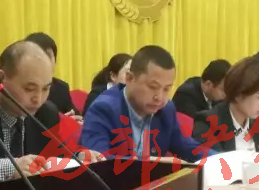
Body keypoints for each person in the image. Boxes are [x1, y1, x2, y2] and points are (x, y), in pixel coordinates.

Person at [0, 41, 102, 186]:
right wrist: (10, 168)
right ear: (2, 78)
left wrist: (77, 159)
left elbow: (51, 157)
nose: (38, 99)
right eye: (29, 89)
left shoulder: (46, 113)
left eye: (46, 88)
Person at [80, 46, 212, 162]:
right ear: (129, 79)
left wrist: (221, 159)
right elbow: (99, 162)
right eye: (153, 87)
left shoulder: (165, 109)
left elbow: (188, 148)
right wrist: (154, 163)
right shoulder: (104, 108)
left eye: (166, 89)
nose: (159, 97)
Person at [24, 32, 81, 120]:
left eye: (48, 56)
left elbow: (77, 118)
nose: (43, 62)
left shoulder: (61, 88)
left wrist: (69, 122)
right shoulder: (20, 87)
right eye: (38, 57)